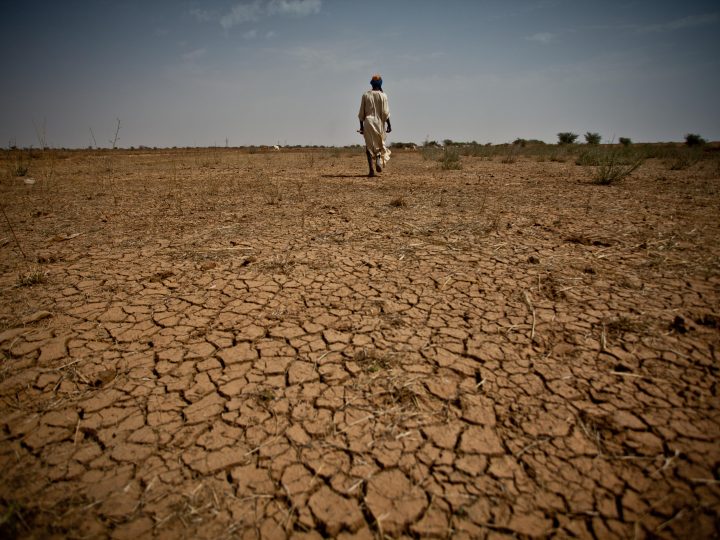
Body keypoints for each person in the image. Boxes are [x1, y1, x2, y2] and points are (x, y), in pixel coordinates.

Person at [358, 74, 392, 177]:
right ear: (380, 84)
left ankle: (371, 170)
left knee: (369, 147)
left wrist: (361, 127)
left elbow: (361, 113)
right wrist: (389, 125)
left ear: (371, 84)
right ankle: (378, 160)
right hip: (379, 123)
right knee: (379, 145)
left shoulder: (365, 95)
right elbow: (386, 113)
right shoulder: (383, 95)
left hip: (368, 122)